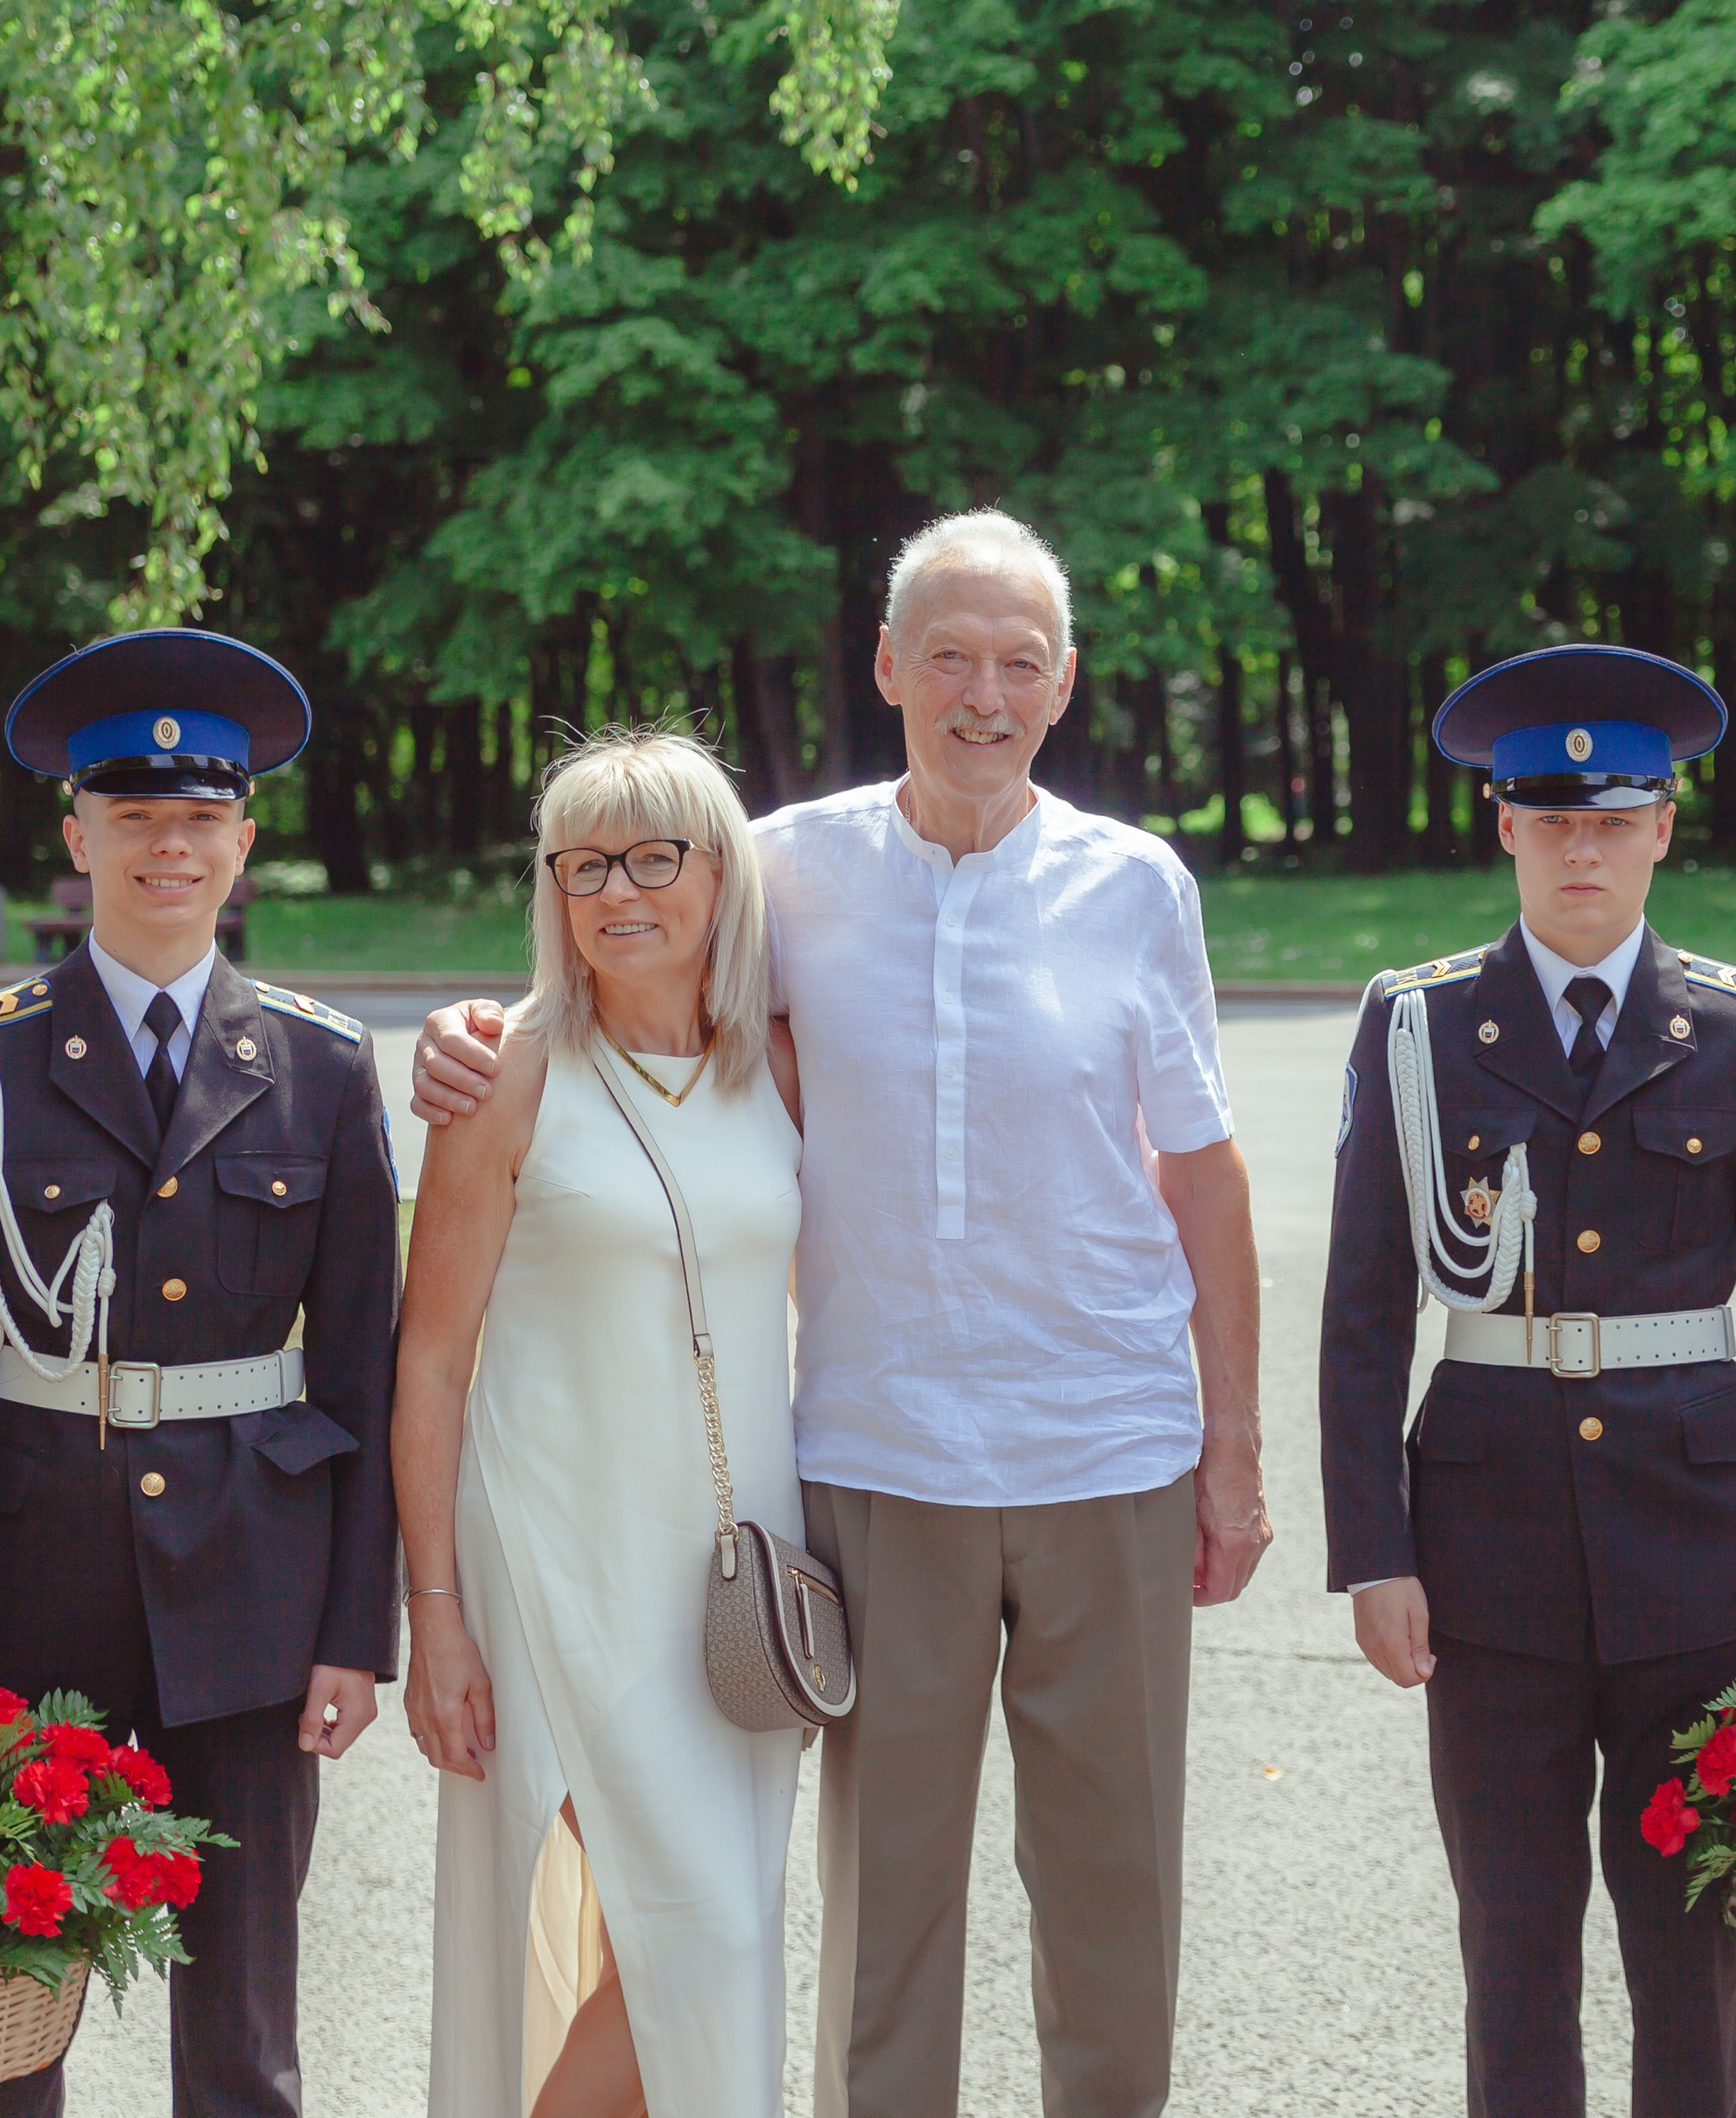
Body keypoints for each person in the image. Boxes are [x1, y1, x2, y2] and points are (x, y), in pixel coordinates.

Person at [410, 508, 1270, 2118]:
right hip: (881, 1465)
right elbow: (620, 954)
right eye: (948, 654)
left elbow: (1208, 1181)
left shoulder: (1139, 887)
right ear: (888, 665)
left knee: (1115, 1903)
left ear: (1066, 683)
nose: (982, 692)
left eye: (1020, 661)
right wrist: (467, 1033)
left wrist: (1237, 1452)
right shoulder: (787, 867)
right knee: (886, 1919)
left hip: (1112, 1452)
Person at [1319, 643, 1736, 2118]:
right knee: (1512, 1938)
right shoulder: (1420, 1026)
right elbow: (1367, 1306)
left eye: (1614, 816)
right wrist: (1373, 1551)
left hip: (1687, 1550)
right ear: (1504, 826)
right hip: (1485, 1546)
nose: (1584, 845)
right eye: (1551, 816)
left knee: (1687, 1932)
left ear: (1662, 827)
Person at [0, 630, 398, 2118]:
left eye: (200, 817)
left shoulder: (322, 1065)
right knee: (11, 2013)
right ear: (77, 833)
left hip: (254, 1579)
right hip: (32, 1574)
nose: (169, 846)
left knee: (241, 2023)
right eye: (134, 816)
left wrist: (357, 1631)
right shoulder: (4, 1053)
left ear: (245, 837)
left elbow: (364, 1365)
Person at [392, 729, 805, 2118]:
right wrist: (434, 1613)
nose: (617, 890)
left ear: (720, 875)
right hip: (560, 1564)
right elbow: (434, 1362)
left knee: (694, 1940)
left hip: (742, 1578)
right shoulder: (506, 1071)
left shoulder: (779, 1068)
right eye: (583, 865)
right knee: (702, 1936)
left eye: (651, 855)